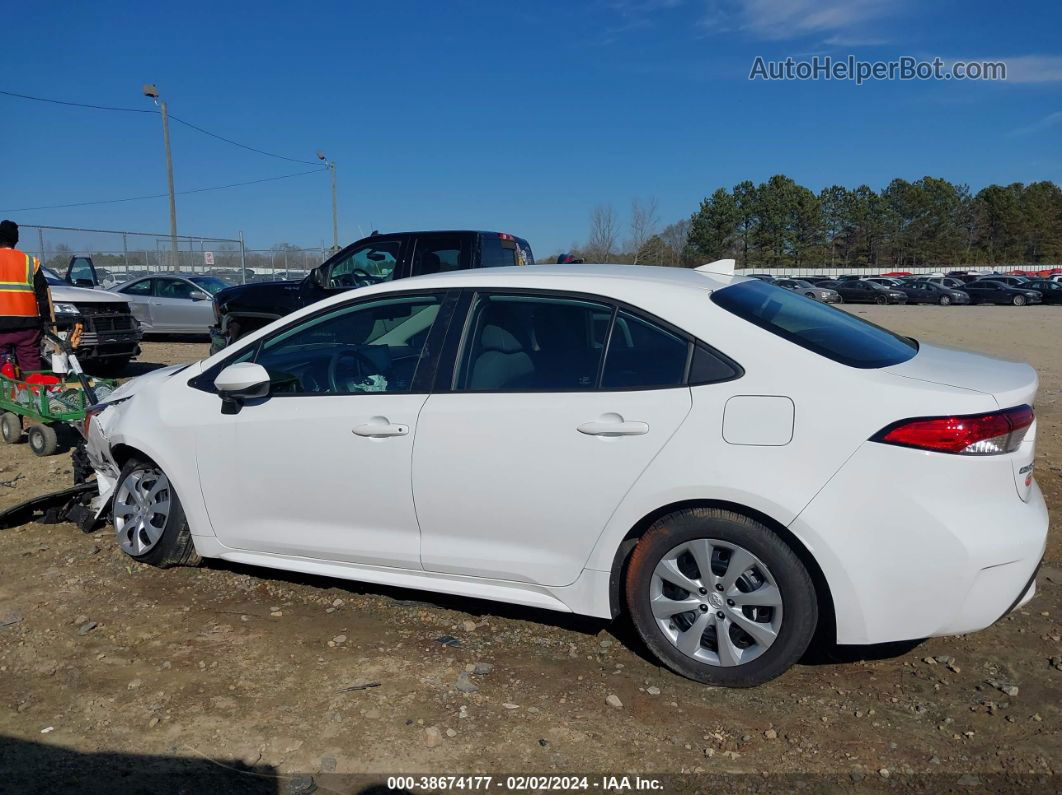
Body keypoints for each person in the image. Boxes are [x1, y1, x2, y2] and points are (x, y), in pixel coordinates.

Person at [0, 220, 50, 374]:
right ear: (16, 240)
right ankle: (33, 393)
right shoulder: (30, 262)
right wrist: (46, 320)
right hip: (28, 325)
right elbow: (43, 295)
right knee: (31, 365)